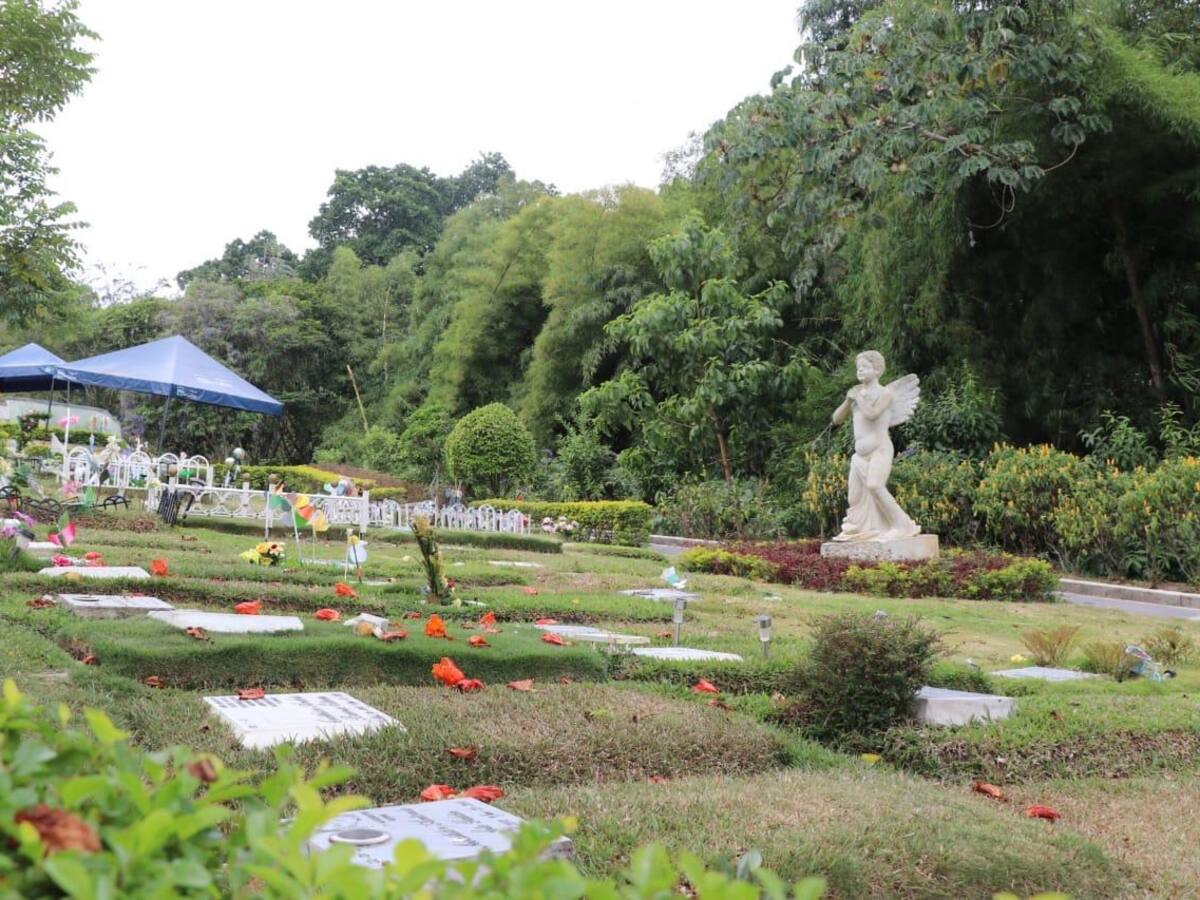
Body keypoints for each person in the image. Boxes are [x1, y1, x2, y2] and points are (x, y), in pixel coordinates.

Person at [830, 351, 921, 542]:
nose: (860, 370)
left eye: (865, 367)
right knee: (854, 498)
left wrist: (858, 398)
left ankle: (901, 525)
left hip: (880, 449)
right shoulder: (858, 395)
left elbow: (872, 414)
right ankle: (862, 528)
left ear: (877, 370)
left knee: (875, 485)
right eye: (858, 367)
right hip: (859, 455)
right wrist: (848, 400)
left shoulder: (885, 393)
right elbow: (836, 419)